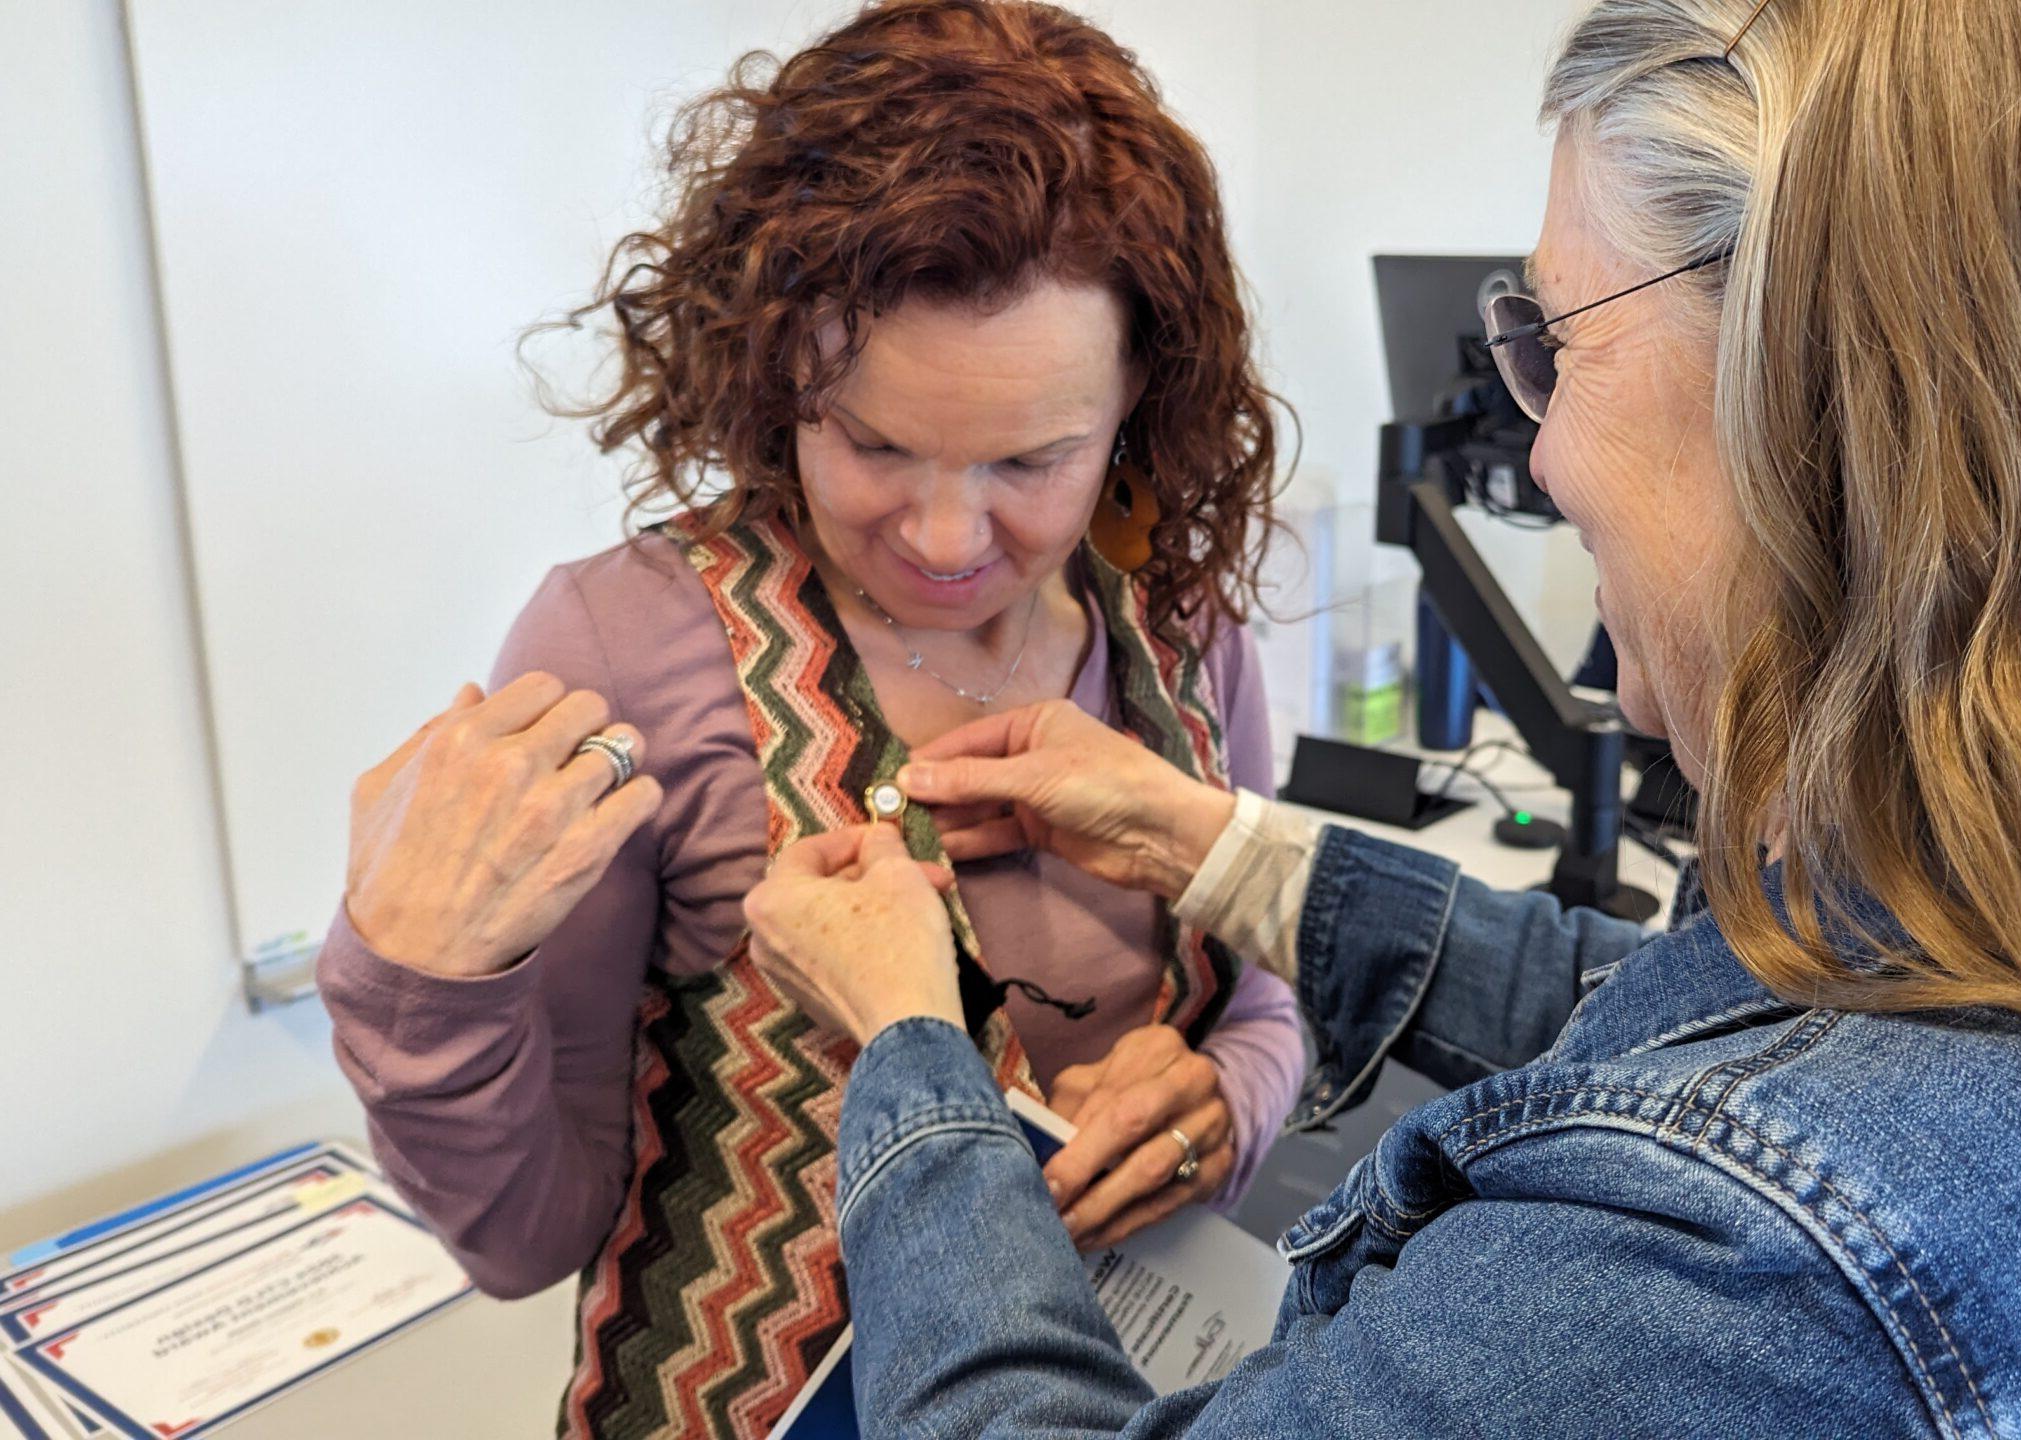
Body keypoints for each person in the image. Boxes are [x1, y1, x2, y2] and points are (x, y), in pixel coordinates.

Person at [741, 0, 2021, 1433]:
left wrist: (917, 1048)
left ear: (1835, 415)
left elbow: (1717, 1125)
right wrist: (1220, 847)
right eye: (877, 442)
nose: (1530, 441)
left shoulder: (1750, 1269)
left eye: (1559, 334)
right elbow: (1689, 1024)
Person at [315, 3, 1303, 1435]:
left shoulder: (1184, 621)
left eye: (1035, 457)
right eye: (875, 443)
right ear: (778, 370)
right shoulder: (632, 646)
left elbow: (1265, 988)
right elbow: (527, 1237)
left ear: (1139, 396)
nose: (952, 535)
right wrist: (414, 987)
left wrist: (1231, 1099)